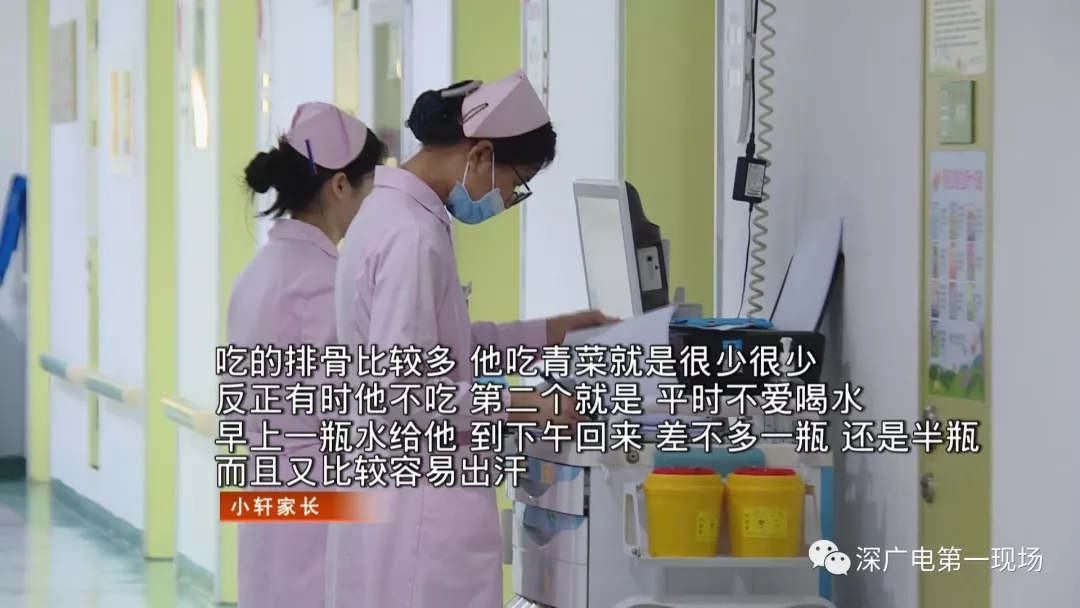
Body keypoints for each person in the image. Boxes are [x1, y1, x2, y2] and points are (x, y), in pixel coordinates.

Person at [325, 71, 614, 607]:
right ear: (480, 155)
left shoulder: (394, 216)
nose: (507, 198)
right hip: (422, 508)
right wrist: (529, 404)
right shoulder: (410, 236)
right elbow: (406, 392)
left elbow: (443, 347)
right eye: (515, 183)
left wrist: (549, 332)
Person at [224, 101, 387, 608]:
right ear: (339, 186)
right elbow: (358, 407)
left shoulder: (256, 274)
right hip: (313, 517)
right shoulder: (323, 283)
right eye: (370, 185)